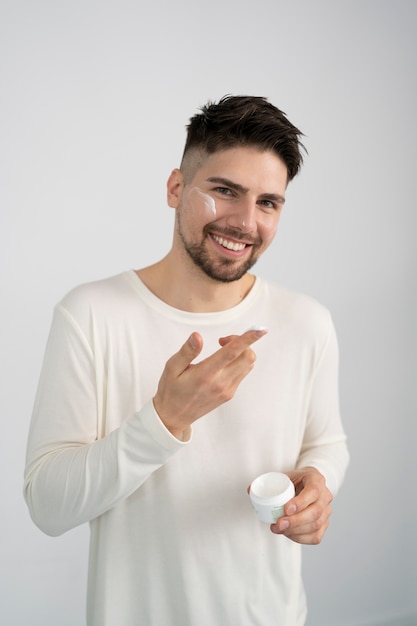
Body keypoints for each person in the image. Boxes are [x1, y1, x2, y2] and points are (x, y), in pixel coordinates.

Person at [24, 95, 349, 626]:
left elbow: (328, 442)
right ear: (177, 188)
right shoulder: (91, 315)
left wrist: (318, 481)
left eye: (268, 202)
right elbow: (47, 507)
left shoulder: (306, 322)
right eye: (225, 191)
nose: (246, 222)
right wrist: (165, 419)